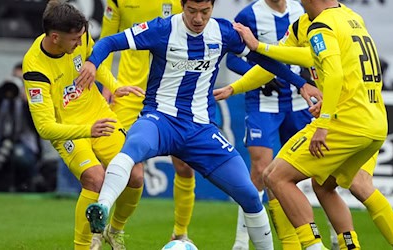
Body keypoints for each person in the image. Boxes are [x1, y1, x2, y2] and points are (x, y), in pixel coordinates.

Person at [78, 0, 321, 249]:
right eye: (191, 11)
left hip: (201, 130)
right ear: (182, 6)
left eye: (204, 12)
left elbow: (263, 60)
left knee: (249, 194)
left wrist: (300, 83)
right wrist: (92, 62)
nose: (197, 18)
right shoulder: (161, 29)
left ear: (212, 8)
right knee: (133, 147)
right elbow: (109, 41)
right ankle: (103, 207)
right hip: (161, 119)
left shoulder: (224, 32)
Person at [218, 2, 393, 249]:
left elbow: (334, 74)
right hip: (374, 121)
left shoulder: (322, 25)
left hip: (345, 122)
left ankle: (305, 245)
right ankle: (360, 245)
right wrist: (236, 87)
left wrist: (324, 121)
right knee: (328, 185)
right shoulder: (347, 18)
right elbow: (289, 60)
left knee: (275, 176)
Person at [22, 1, 145, 249]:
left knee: (135, 174)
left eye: (81, 37)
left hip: (98, 115)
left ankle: (115, 230)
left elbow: (92, 65)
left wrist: (114, 85)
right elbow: (45, 128)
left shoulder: (79, 35)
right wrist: (88, 131)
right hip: (68, 129)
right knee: (95, 179)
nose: (80, 43)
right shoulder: (35, 69)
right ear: (55, 37)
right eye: (74, 40)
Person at [98, 0, 196, 241]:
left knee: (184, 165)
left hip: (170, 94)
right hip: (129, 94)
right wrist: (106, 85)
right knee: (116, 166)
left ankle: (180, 234)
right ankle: (102, 229)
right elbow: (106, 40)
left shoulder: (181, 2)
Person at [225, 0, 311, 249]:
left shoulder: (301, 9)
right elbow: (232, 60)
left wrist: (306, 75)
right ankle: (241, 242)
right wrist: (257, 73)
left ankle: (337, 237)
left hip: (298, 103)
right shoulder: (249, 14)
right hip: (263, 104)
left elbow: (311, 50)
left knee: (316, 174)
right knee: (262, 169)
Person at [0, 62, 41, 192]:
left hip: (23, 140)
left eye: (20, 80)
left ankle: (23, 184)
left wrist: (29, 103)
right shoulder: (3, 95)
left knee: (20, 156)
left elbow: (37, 127)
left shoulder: (31, 98)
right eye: (14, 78)